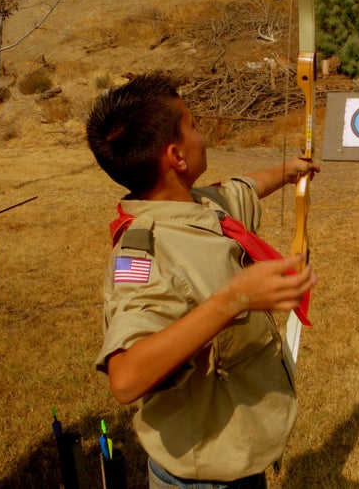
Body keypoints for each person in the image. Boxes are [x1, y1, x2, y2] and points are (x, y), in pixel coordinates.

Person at [86, 72, 319, 488]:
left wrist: (288, 171)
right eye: (193, 125)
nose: (201, 133)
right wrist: (236, 298)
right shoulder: (144, 254)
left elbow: (242, 188)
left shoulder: (199, 203)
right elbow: (126, 377)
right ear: (176, 156)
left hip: (235, 452)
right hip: (201, 476)